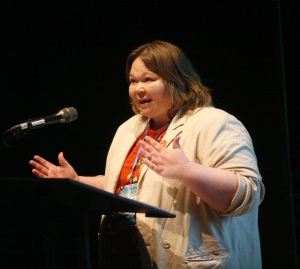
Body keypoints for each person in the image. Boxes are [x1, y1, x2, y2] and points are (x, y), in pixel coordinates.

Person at [29, 40, 265, 269]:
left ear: (177, 80)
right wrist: (77, 181)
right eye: (133, 81)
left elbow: (249, 193)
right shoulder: (129, 128)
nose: (138, 89)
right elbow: (127, 189)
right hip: (125, 257)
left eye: (149, 79)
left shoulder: (214, 123)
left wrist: (187, 171)